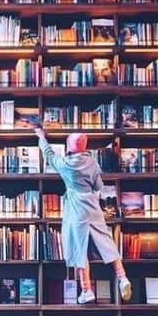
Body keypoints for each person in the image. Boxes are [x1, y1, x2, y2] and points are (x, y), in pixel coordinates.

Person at [34, 127, 131, 304]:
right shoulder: (93, 163)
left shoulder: (65, 164)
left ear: (69, 147)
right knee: (106, 241)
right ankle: (123, 277)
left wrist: (41, 136)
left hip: (76, 207)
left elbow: (48, 154)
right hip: (92, 206)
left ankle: (86, 290)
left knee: (80, 248)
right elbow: (98, 186)